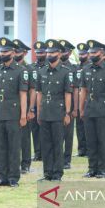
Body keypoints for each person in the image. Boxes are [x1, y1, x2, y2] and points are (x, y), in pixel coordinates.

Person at [0, 37, 27, 187]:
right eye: (0, 51)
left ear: (13, 52)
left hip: (13, 114)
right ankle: (2, 176)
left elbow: (23, 94)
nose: (2, 53)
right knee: (0, 146)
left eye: (5, 51)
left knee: (13, 146)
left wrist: (24, 115)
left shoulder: (21, 71)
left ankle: (13, 177)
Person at [79, 40, 105, 178]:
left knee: (103, 140)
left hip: (103, 109)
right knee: (91, 140)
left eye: (94, 52)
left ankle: (102, 169)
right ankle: (92, 168)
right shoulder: (86, 69)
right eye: (90, 53)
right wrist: (81, 108)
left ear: (102, 54)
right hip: (89, 109)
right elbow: (83, 90)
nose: (91, 55)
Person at [36, 39, 72, 181]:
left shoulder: (65, 72)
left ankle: (57, 173)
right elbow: (39, 93)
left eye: (53, 52)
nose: (50, 54)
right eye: (48, 52)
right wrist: (38, 111)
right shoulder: (42, 71)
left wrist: (67, 113)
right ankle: (47, 173)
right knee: (46, 145)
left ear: (59, 53)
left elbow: (67, 94)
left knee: (57, 144)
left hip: (58, 113)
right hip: (45, 112)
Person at [13, 39, 36, 174]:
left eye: (18, 51)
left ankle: (26, 163)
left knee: (24, 137)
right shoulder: (7, 68)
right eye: (14, 51)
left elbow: (33, 91)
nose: (16, 54)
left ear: (25, 53)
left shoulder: (29, 69)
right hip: (10, 108)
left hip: (24, 106)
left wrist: (30, 108)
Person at [59, 39, 78, 170]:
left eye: (65, 51)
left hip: (69, 105)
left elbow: (76, 90)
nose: (62, 53)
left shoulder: (73, 69)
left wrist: (75, 108)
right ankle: (57, 157)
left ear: (70, 52)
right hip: (55, 105)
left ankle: (67, 159)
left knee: (68, 134)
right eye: (60, 50)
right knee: (56, 134)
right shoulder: (52, 67)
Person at [30, 41, 48, 162]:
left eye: (41, 52)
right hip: (34, 103)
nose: (39, 54)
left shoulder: (49, 67)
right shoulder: (32, 67)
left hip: (46, 103)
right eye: (37, 53)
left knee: (45, 130)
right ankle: (37, 152)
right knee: (35, 129)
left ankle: (45, 152)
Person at [73, 43, 90, 157]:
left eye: (83, 54)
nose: (81, 56)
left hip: (88, 99)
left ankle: (89, 149)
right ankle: (81, 149)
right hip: (78, 99)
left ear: (88, 54)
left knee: (88, 127)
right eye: (80, 54)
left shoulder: (90, 67)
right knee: (79, 126)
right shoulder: (77, 68)